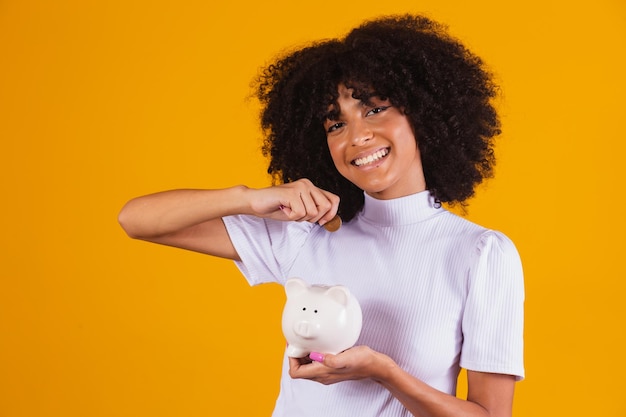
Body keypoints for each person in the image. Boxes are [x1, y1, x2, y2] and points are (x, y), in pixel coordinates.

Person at [118, 14, 524, 417]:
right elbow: (135, 220)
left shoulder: (481, 254)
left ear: (422, 113)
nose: (356, 137)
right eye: (335, 124)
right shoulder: (307, 232)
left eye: (375, 109)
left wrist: (384, 373)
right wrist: (247, 198)